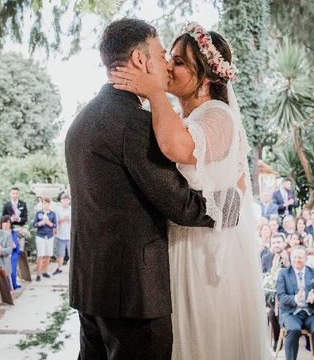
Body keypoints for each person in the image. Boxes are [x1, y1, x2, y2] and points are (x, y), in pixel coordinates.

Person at [111, 21, 269, 359]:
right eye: (170, 56)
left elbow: (177, 147)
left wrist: (154, 91)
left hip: (205, 256)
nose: (168, 65)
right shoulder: (181, 115)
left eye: (180, 62)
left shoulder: (218, 115)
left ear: (209, 76)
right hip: (178, 247)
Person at [65, 19, 217, 360]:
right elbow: (180, 203)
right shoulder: (133, 123)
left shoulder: (82, 119)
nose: (165, 64)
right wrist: (230, 204)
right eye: (162, 54)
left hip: (90, 286)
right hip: (133, 295)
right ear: (140, 60)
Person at [276, 246, 314, 360]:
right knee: (293, 330)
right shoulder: (283, 273)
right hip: (291, 313)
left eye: (300, 257)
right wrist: (294, 298)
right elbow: (281, 296)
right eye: (294, 257)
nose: (297, 260)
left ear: (306, 258)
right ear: (290, 258)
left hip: (311, 312)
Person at [33, 198, 57, 281]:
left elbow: (55, 225)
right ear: (42, 204)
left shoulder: (52, 214)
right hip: (40, 236)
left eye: (47, 203)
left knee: (48, 254)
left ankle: (45, 271)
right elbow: (34, 224)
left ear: (49, 204)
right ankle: (38, 274)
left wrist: (49, 223)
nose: (46, 205)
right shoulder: (38, 213)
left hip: (49, 236)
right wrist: (41, 223)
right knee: (40, 255)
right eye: (44, 203)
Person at [0, 216, 21, 289]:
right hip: (1, 253)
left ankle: (12, 284)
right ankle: (6, 286)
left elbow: (14, 246)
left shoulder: (13, 233)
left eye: (8, 222)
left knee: (11, 264)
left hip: (12, 253)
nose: (6, 224)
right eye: (4, 222)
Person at [54, 193, 72, 275]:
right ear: (61, 201)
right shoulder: (57, 210)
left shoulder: (72, 210)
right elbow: (55, 222)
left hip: (70, 235)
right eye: (63, 200)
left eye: (67, 200)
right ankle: (59, 268)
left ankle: (72, 269)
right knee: (60, 253)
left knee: (71, 252)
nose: (65, 201)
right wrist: (63, 220)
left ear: (69, 201)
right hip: (60, 234)